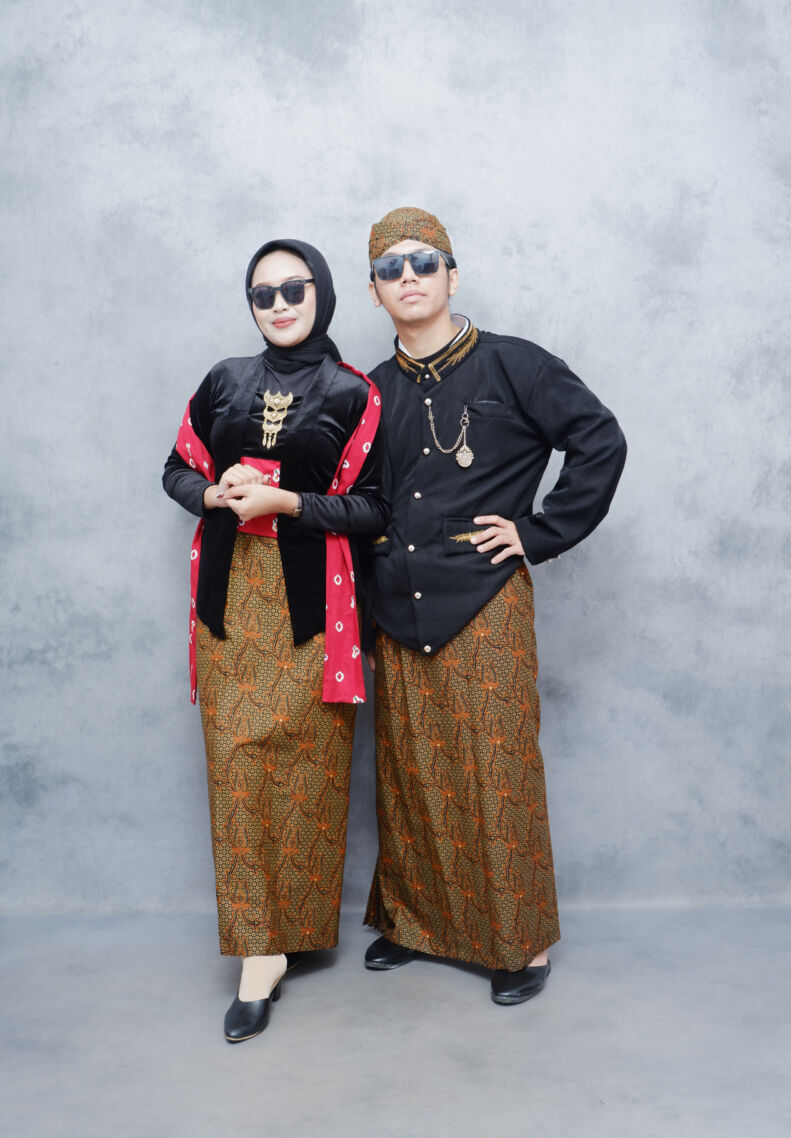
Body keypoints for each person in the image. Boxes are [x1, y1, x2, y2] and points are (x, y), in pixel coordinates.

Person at [362, 207, 626, 1004]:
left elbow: (600, 440)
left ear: (451, 274)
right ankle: (415, 924)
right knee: (411, 773)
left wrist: (537, 533)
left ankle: (521, 946)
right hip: (396, 607)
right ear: (375, 292)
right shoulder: (369, 391)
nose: (409, 277)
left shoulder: (514, 364)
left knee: (497, 768)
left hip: (484, 597)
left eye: (424, 262)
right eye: (391, 268)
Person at [163, 238, 387, 1041]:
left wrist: (287, 503)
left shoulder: (355, 393)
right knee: (236, 770)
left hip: (313, 610)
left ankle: (297, 933)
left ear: (322, 293)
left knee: (309, 772)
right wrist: (213, 493)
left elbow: (373, 510)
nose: (281, 304)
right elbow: (176, 468)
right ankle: (257, 951)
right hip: (229, 603)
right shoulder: (222, 381)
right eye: (264, 294)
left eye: (295, 288)